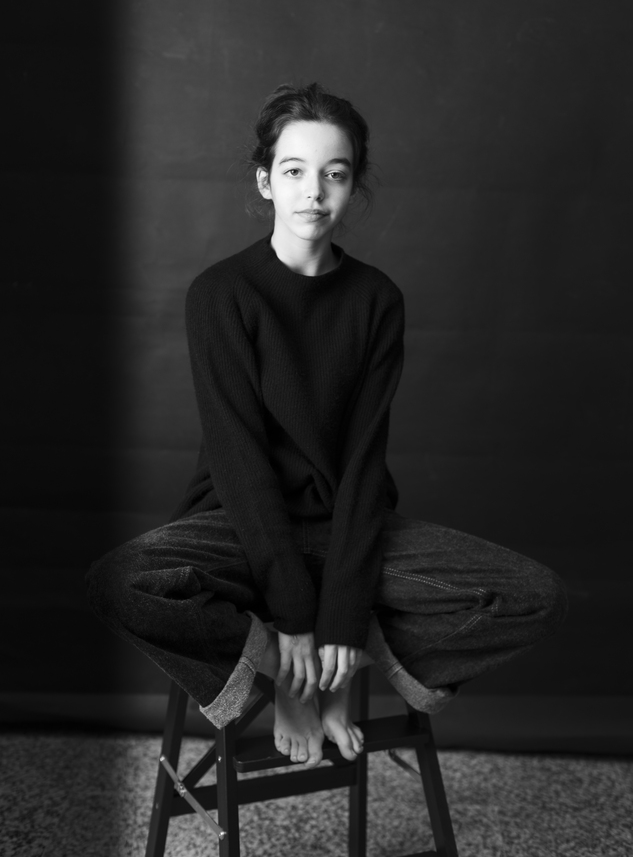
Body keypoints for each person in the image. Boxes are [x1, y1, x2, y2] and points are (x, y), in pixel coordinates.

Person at [86, 82, 567, 769]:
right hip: (240, 525)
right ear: (265, 182)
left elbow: (365, 461)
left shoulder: (376, 299)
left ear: (352, 186)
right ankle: (289, 675)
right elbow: (240, 461)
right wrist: (294, 631)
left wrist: (342, 616)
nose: (313, 192)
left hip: (345, 526)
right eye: (294, 171)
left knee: (531, 596)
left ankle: (349, 659)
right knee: (121, 582)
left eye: (334, 174)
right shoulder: (221, 293)